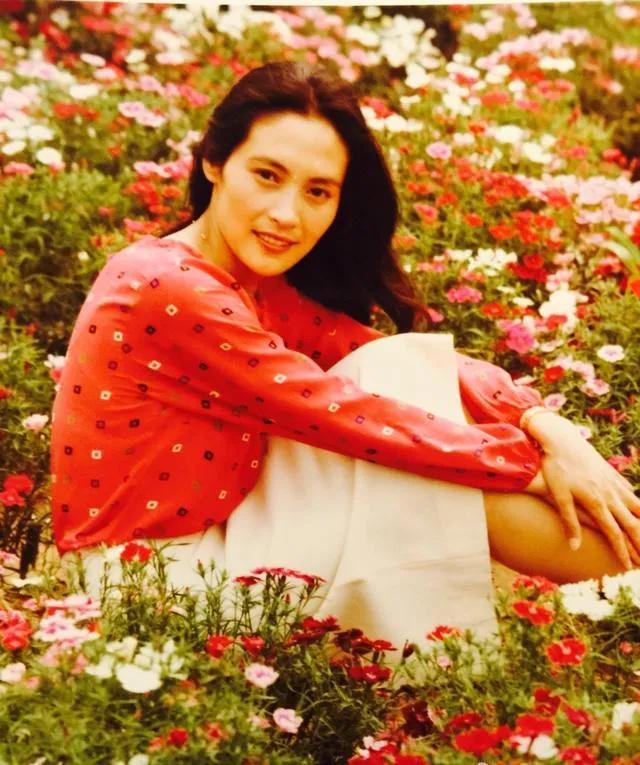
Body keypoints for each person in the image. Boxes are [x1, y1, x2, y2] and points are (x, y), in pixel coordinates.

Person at [50, 61, 640, 651]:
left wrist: (547, 427)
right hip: (156, 585)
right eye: (267, 175)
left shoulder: (251, 283)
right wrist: (532, 470)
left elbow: (376, 354)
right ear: (214, 162)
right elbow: (345, 415)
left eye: (317, 192)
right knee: (437, 483)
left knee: (398, 376)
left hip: (226, 536)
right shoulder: (167, 286)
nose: (287, 214)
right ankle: (629, 583)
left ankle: (625, 577)